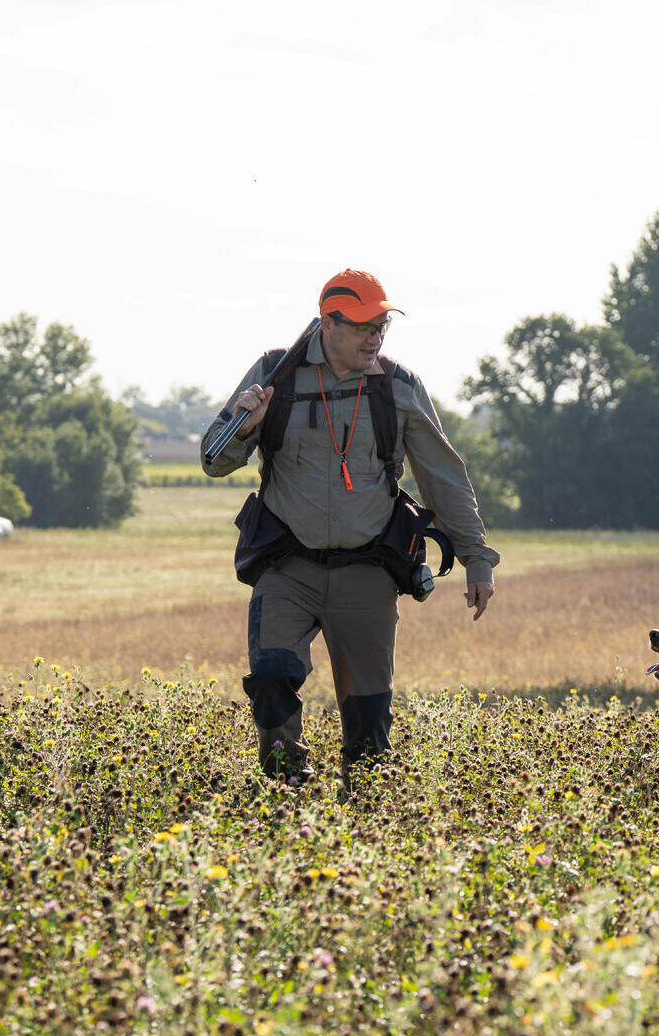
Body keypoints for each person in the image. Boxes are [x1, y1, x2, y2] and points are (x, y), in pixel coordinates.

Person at [202, 270, 499, 791]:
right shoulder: (276, 371)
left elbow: (443, 475)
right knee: (271, 679)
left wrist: (476, 557)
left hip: (368, 569)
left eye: (381, 325)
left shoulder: (398, 385)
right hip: (287, 566)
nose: (374, 337)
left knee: (368, 726)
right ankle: (286, 793)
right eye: (363, 326)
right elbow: (213, 459)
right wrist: (248, 424)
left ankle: (362, 821)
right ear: (328, 323)